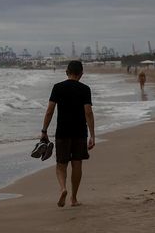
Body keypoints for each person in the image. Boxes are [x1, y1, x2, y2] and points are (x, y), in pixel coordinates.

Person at [39, 60, 95, 208]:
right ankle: (74, 198)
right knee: (77, 164)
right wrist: (92, 135)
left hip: (62, 132)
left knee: (61, 165)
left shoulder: (57, 87)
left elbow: (50, 111)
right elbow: (88, 112)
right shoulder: (85, 89)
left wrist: (44, 130)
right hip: (80, 132)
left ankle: (63, 188)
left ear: (66, 72)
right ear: (81, 74)